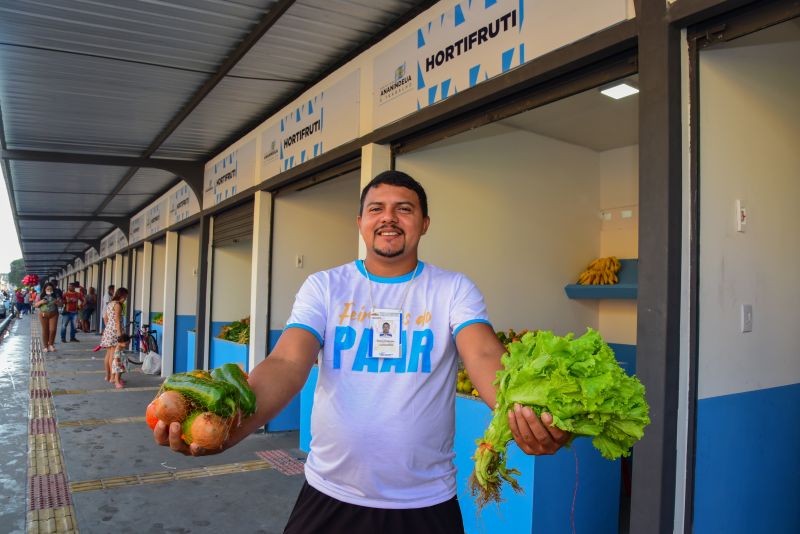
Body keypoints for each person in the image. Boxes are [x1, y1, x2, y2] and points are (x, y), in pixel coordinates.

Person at [155, 171, 570, 532]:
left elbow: (480, 354)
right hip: (331, 494)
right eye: (376, 209)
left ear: (424, 223)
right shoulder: (325, 287)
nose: (389, 217)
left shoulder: (452, 289)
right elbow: (287, 362)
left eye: (404, 209)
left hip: (424, 502)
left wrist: (523, 412)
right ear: (360, 222)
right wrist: (231, 427)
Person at [100, 288, 128, 386]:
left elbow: (105, 317)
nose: (125, 299)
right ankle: (113, 377)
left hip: (109, 330)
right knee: (114, 355)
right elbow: (117, 321)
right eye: (125, 297)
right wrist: (120, 335)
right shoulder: (118, 305)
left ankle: (107, 376)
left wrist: (109, 327)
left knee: (108, 354)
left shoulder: (110, 304)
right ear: (122, 295)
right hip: (115, 331)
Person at [34, 283, 60, 352]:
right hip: (43, 315)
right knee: (45, 330)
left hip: (54, 314)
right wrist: (41, 302)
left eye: (51, 289)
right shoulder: (40, 295)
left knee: (53, 330)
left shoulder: (56, 295)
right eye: (48, 289)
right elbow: (35, 305)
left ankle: (51, 345)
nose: (49, 290)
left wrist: (58, 302)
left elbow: (61, 304)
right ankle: (45, 346)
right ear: (45, 289)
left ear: (53, 290)